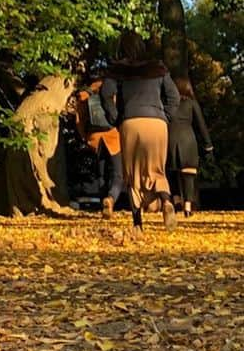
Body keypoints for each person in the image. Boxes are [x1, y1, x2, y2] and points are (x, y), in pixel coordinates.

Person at [101, 31, 181, 230]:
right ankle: (166, 202)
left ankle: (138, 224)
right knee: (157, 170)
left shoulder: (117, 70)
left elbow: (105, 94)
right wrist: (165, 117)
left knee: (132, 173)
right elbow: (174, 97)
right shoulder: (158, 68)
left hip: (131, 123)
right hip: (157, 124)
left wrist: (115, 118)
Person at [73, 78, 124, 216]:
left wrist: (85, 137)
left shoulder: (84, 95)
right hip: (113, 136)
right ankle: (111, 198)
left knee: (101, 173)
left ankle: (103, 204)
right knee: (118, 173)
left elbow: (79, 121)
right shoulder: (111, 92)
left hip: (94, 138)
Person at [168, 78, 214, 217]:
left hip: (170, 139)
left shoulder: (169, 104)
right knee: (188, 174)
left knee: (171, 172)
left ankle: (176, 202)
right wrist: (208, 146)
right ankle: (187, 207)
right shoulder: (191, 104)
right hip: (187, 140)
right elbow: (201, 125)